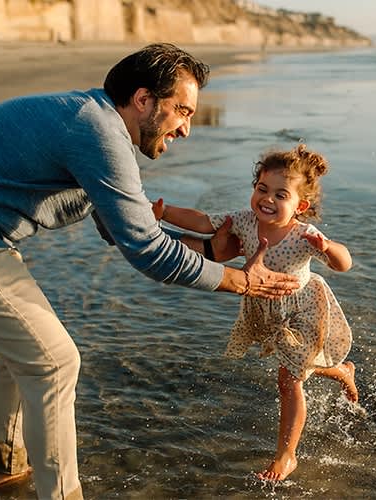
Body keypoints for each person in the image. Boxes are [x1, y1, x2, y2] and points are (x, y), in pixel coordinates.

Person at [0, 43, 300, 499]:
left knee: (25, 349)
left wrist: (209, 250)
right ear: (144, 100)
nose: (186, 129)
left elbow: (125, 229)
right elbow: (146, 249)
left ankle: (1, 471)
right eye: (182, 110)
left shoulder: (95, 121)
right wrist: (240, 281)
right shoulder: (98, 133)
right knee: (54, 362)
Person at [150, 144, 357, 482]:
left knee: (289, 379)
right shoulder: (245, 221)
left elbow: (344, 264)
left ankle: (287, 456)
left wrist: (328, 247)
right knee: (296, 367)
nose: (267, 199)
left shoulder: (303, 235)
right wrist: (164, 212)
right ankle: (342, 372)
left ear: (300, 206)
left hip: (303, 308)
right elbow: (203, 222)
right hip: (266, 306)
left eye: (280, 195)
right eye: (262, 188)